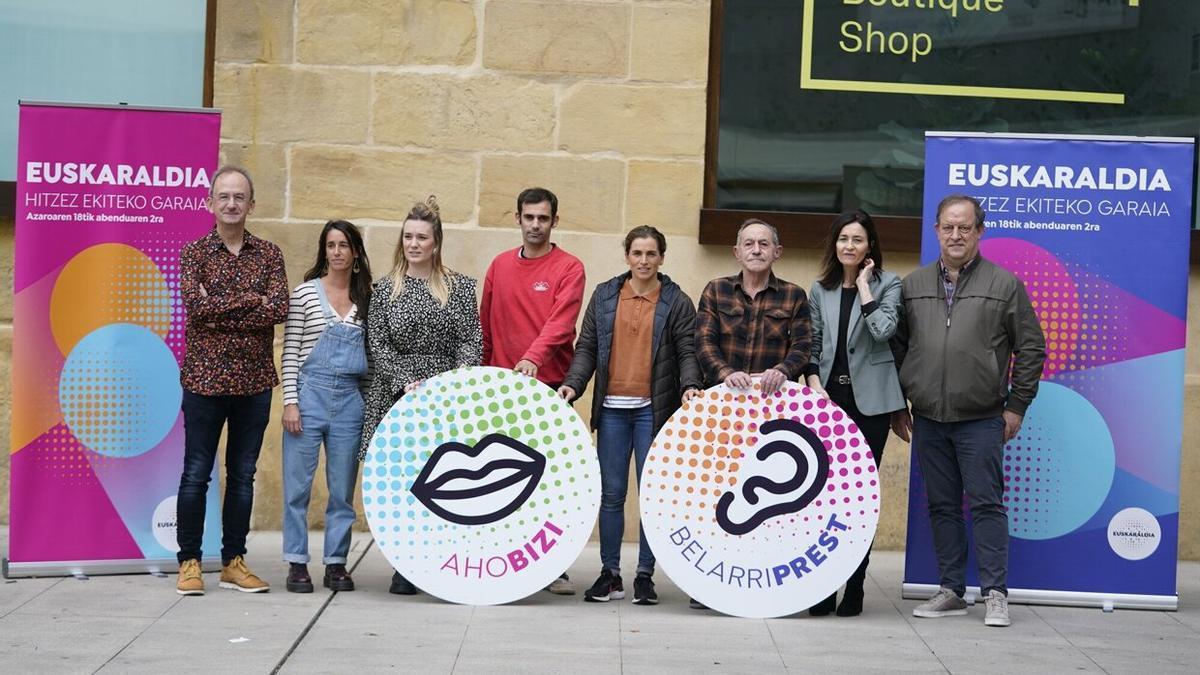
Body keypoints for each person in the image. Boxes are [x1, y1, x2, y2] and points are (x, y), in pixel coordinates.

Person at [892, 194, 1046, 628]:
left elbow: (1031, 347)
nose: (955, 235)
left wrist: (1016, 406)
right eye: (947, 227)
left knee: (986, 505)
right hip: (928, 418)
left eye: (965, 227)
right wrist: (898, 404)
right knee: (941, 506)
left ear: (979, 231)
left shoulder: (1004, 284)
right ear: (936, 230)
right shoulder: (913, 285)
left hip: (981, 417)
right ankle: (951, 590)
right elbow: (898, 349)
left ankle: (995, 593)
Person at [558, 226, 703, 606]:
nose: (643, 261)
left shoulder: (677, 301)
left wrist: (690, 384)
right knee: (611, 495)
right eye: (637, 253)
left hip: (653, 412)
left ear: (661, 258)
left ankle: (644, 577)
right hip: (612, 412)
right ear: (626, 256)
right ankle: (610, 574)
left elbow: (688, 351)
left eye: (651, 254)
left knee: (652, 496)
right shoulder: (606, 295)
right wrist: (573, 385)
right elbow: (586, 347)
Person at [359, 196, 482, 596]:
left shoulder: (460, 288)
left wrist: (449, 386)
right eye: (408, 237)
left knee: (441, 481)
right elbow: (377, 343)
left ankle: (436, 560)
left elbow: (470, 341)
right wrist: (406, 380)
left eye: (422, 238)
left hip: (442, 398)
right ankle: (403, 564)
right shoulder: (384, 289)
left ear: (435, 243)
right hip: (396, 393)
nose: (414, 244)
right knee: (402, 481)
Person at [175, 165, 288, 595]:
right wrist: (249, 301)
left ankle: (233, 562)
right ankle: (189, 563)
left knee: (242, 475)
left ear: (252, 204)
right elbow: (195, 308)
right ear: (210, 203)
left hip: (254, 382)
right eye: (223, 196)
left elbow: (278, 308)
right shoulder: (193, 253)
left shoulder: (270, 254)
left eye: (239, 196)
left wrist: (221, 303)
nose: (231, 203)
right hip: (203, 381)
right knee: (196, 474)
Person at [692, 218, 812, 609]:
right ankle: (709, 584)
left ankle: (758, 577)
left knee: (767, 502)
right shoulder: (715, 290)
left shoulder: (794, 296)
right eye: (749, 243)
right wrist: (726, 374)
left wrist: (782, 371)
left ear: (777, 252)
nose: (756, 249)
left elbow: (804, 347)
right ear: (736, 251)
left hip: (774, 416)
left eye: (764, 243)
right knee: (717, 493)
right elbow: (703, 341)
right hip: (723, 414)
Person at [480, 187, 586, 595]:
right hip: (502, 390)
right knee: (501, 479)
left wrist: (532, 358)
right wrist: (487, 375)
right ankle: (504, 558)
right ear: (518, 219)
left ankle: (551, 566)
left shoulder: (569, 267)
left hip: (549, 387)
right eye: (529, 217)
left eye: (543, 218)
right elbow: (486, 325)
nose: (535, 225)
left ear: (554, 221)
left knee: (548, 482)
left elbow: (561, 324)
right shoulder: (499, 266)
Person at [801, 210, 905, 617]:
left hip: (871, 408)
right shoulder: (819, 288)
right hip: (826, 404)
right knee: (821, 496)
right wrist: (813, 384)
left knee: (857, 499)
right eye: (843, 238)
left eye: (857, 239)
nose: (849, 245)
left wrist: (864, 286)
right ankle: (824, 585)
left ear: (869, 247)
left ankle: (856, 584)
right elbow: (812, 345)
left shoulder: (888, 284)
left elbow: (882, 331)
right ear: (835, 244)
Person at [280, 220, 373, 594]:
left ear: (354, 253)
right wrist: (291, 402)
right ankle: (296, 562)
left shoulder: (368, 299)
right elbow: (289, 353)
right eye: (330, 245)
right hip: (309, 395)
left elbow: (371, 358)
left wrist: (366, 405)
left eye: (344, 245)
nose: (337, 251)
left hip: (350, 399)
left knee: (341, 490)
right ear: (324, 251)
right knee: (297, 488)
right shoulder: (304, 294)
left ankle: (336, 562)